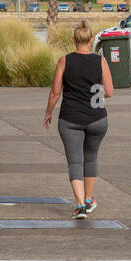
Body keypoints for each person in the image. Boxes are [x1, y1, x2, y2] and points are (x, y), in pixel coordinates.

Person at [44, 20, 114, 219]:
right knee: (91, 157)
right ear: (91, 40)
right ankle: (90, 199)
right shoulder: (100, 61)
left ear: (74, 40)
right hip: (98, 119)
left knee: (75, 161)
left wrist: (48, 112)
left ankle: (80, 204)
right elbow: (109, 91)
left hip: (70, 119)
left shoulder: (65, 61)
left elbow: (55, 92)